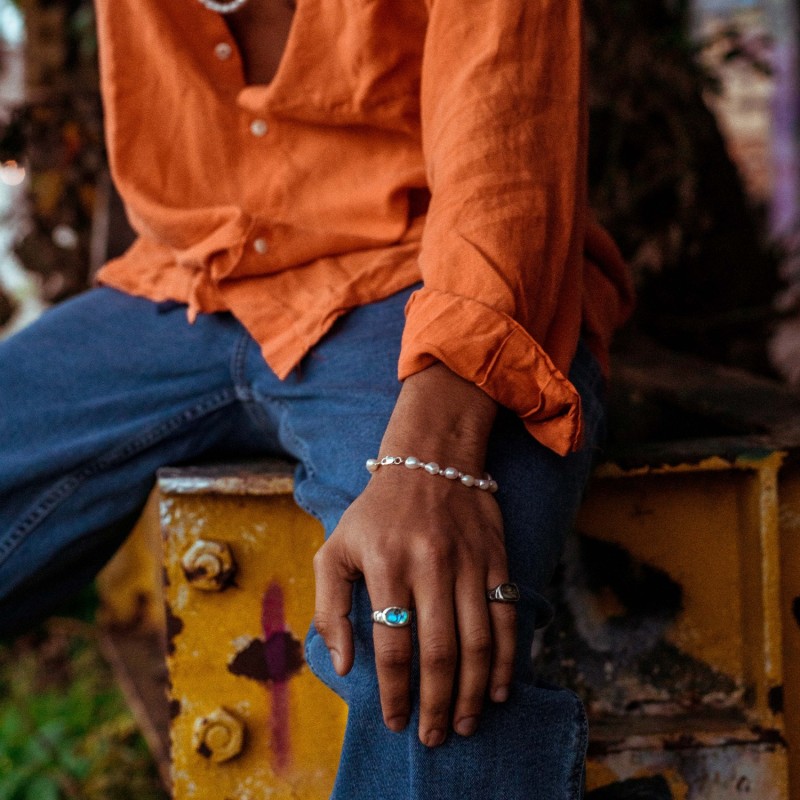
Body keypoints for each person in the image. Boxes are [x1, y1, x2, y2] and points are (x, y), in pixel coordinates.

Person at [0, 0, 634, 796]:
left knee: (424, 614)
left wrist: (433, 457)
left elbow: (502, 152)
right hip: (189, 279)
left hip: (424, 286)